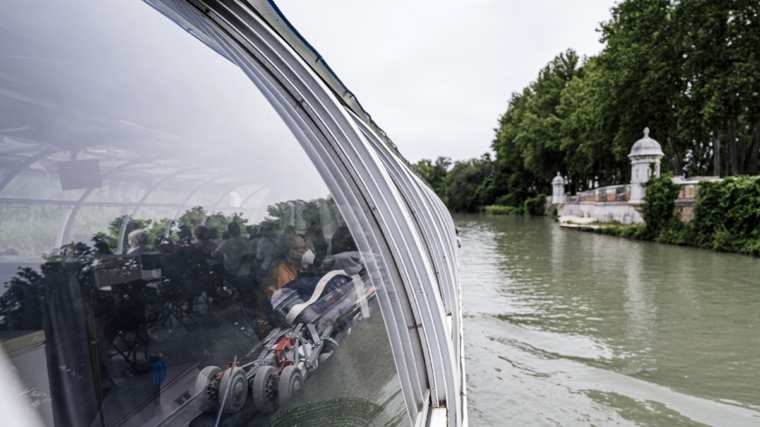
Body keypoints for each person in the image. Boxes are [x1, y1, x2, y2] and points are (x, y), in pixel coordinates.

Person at [254, 234, 308, 337]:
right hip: (275, 332)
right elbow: (285, 313)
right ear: (292, 253)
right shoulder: (280, 276)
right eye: (304, 248)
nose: (308, 250)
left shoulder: (295, 268)